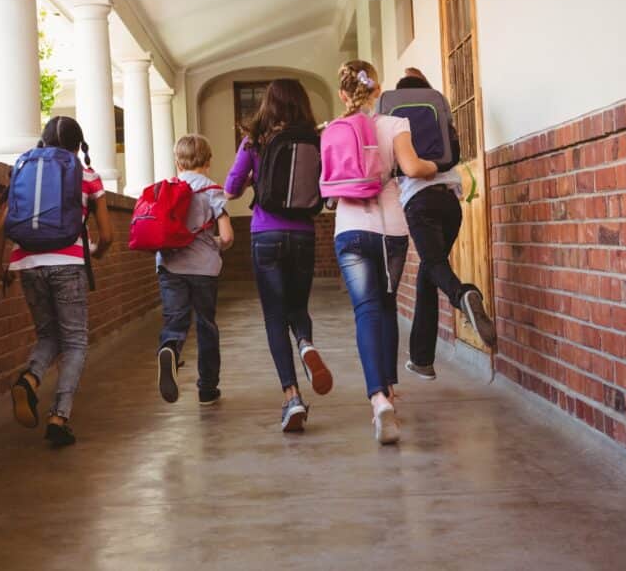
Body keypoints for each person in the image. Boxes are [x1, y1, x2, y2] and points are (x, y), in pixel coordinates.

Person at [0, 116, 114, 449]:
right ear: (78, 146)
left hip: (27, 264)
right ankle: (59, 417)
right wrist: (97, 252)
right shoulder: (87, 176)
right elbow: (108, 235)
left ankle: (30, 379)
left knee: (48, 335)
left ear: (43, 142)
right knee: (74, 342)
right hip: (68, 264)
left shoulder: (25, 172)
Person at [330, 60, 437, 445]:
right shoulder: (395, 125)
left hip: (350, 228)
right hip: (391, 228)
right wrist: (431, 164)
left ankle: (378, 398)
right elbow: (413, 167)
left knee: (366, 311)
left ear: (343, 94)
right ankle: (390, 389)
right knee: (388, 305)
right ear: (378, 91)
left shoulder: (334, 129)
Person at [225, 78, 332, 433]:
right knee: (298, 308)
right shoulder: (316, 139)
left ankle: (292, 396)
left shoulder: (255, 140)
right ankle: (305, 343)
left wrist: (254, 173)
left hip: (265, 234)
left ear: (266, 105)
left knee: (274, 316)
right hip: (303, 234)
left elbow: (231, 188)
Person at [392, 69, 497, 381]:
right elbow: (456, 154)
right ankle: (422, 358)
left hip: (419, 201)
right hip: (450, 203)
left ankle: (463, 293)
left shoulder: (395, 120)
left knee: (434, 264)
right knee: (429, 271)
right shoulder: (439, 111)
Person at [156, 134, 234, 406]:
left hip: (170, 266)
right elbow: (226, 237)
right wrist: (214, 244)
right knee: (205, 325)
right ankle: (207, 389)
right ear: (208, 161)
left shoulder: (167, 188)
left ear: (177, 162)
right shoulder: (212, 190)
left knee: (175, 320)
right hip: (204, 269)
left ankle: (170, 348)